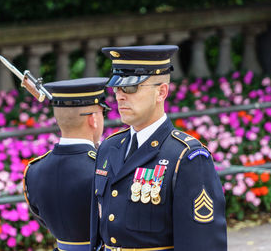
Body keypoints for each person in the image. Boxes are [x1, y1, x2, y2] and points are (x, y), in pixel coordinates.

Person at [90, 45, 227, 250]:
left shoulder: (186, 157)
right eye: (117, 88)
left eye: (130, 87)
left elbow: (201, 243)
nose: (119, 96)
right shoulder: (109, 148)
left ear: (161, 92)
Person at [23, 77, 110, 251]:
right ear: (93, 119)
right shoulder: (104, 167)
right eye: (102, 113)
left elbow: (42, 217)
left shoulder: (33, 170)